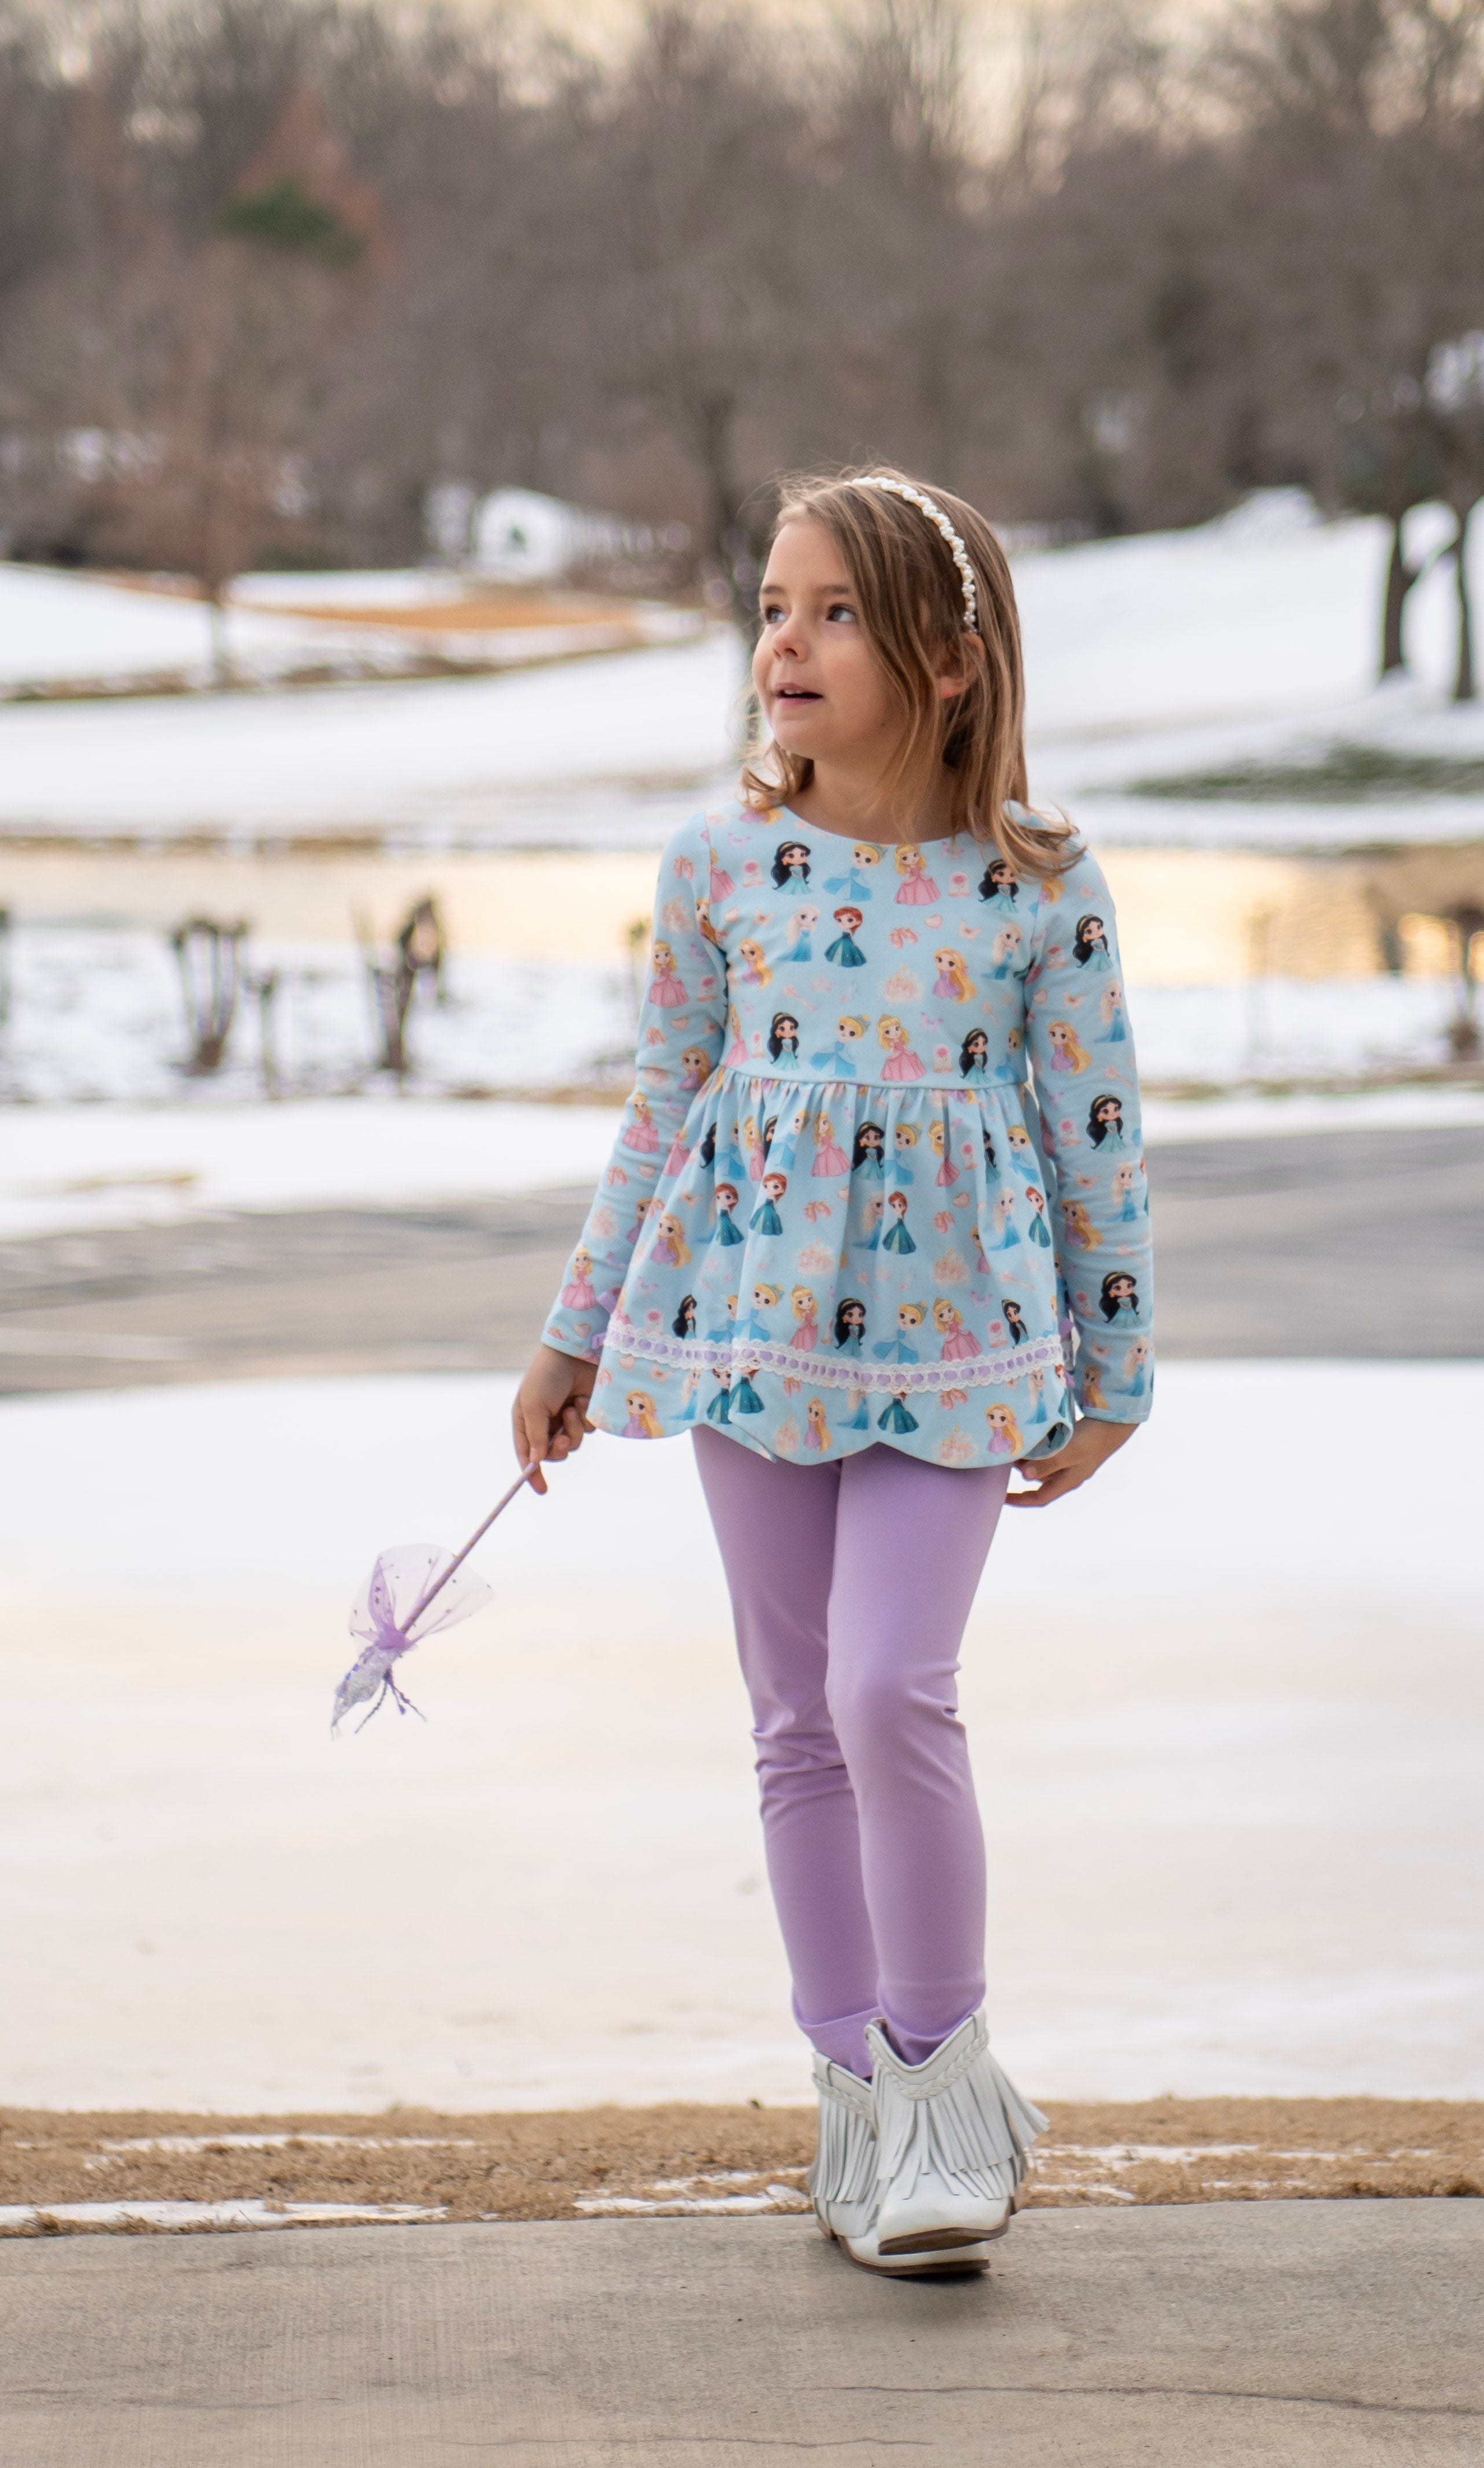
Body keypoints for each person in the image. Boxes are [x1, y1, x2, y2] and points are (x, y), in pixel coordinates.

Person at [512, 467, 1152, 2279]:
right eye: (772, 609)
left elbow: (1097, 1135)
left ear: (947, 659)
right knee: (795, 1716)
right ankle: (856, 2101)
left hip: (959, 1351)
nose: (781, 644)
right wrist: (575, 1327)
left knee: (889, 1687)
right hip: (752, 1335)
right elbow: (661, 1107)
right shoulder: (719, 867)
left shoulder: (1036, 881)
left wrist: (1115, 1366)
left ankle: (946, 2088)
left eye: (834, 612)